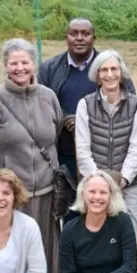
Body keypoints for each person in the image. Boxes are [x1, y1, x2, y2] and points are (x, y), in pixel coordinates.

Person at [0, 38, 65, 273]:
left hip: (46, 191)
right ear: (5, 66)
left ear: (33, 64)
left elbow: (56, 131)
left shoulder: (48, 96)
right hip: (12, 196)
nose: (20, 68)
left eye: (25, 62)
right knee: (14, 250)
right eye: (13, 63)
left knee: (43, 248)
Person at [74, 49, 137, 222]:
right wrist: (99, 184)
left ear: (121, 74)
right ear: (97, 75)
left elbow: (136, 148)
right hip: (94, 190)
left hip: (127, 187)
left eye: (114, 69)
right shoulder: (85, 105)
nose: (110, 74)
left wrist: (122, 180)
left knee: (127, 238)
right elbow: (83, 149)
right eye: (104, 70)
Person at [38, 17, 107, 180]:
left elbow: (125, 103)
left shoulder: (109, 66)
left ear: (94, 38)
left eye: (85, 33)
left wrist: (85, 119)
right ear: (66, 38)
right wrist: (64, 118)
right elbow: (40, 105)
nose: (79, 38)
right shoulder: (49, 68)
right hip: (62, 151)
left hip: (101, 152)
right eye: (73, 33)